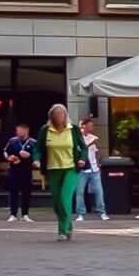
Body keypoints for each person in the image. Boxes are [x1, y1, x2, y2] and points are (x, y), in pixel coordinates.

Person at [40, 102, 86, 240]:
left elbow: (83, 147)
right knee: (56, 201)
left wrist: (82, 159)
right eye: (56, 114)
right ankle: (68, 224)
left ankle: (62, 230)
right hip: (53, 169)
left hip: (71, 168)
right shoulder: (45, 130)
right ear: (51, 116)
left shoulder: (73, 129)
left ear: (65, 115)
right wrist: (36, 159)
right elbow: (38, 147)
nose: (59, 116)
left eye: (61, 114)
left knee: (64, 197)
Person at [0, 117, 39, 222]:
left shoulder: (33, 142)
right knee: (13, 192)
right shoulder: (12, 141)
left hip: (26, 171)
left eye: (20, 131)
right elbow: (5, 151)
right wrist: (9, 158)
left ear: (26, 131)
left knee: (26, 193)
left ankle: (25, 214)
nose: (18, 133)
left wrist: (30, 157)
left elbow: (37, 155)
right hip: (14, 171)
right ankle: (13, 214)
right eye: (17, 131)